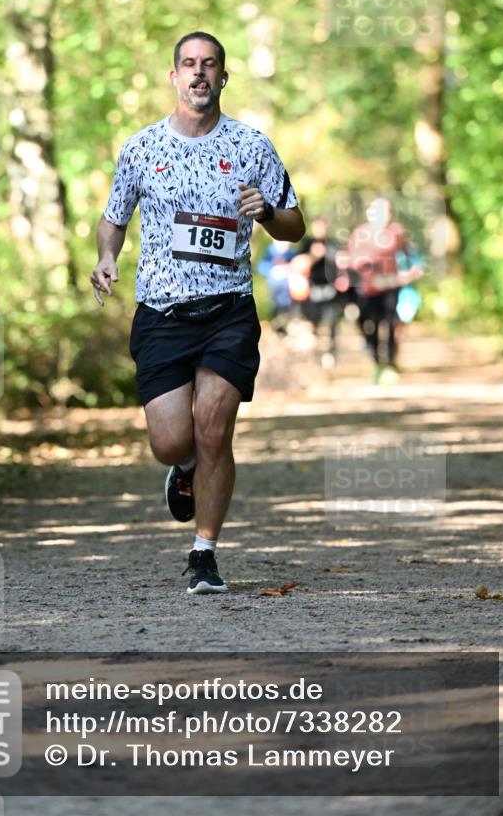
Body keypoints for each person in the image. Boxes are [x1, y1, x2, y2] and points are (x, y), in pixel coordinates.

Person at [90, 32, 305, 594]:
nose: (199, 73)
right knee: (172, 441)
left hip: (228, 311)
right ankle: (182, 472)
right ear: (174, 76)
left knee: (214, 431)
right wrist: (107, 258)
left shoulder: (254, 146)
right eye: (189, 64)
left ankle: (204, 553)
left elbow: (294, 224)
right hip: (161, 311)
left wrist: (269, 214)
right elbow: (114, 216)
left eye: (209, 65)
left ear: (224, 77)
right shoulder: (141, 148)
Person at [347, 197, 423, 383]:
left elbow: (409, 254)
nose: (382, 216)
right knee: (369, 325)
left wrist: (414, 269)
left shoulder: (396, 232)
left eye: (386, 212)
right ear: (369, 213)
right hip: (368, 289)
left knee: (390, 324)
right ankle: (376, 358)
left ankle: (389, 363)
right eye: (377, 211)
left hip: (391, 285)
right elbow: (352, 260)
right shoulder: (360, 233)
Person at [295, 217, 343, 367]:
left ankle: (330, 352)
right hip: (313, 290)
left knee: (331, 323)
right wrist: (313, 256)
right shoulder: (307, 244)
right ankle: (315, 355)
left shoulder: (333, 244)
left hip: (331, 291)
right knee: (313, 324)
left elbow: (343, 262)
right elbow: (298, 264)